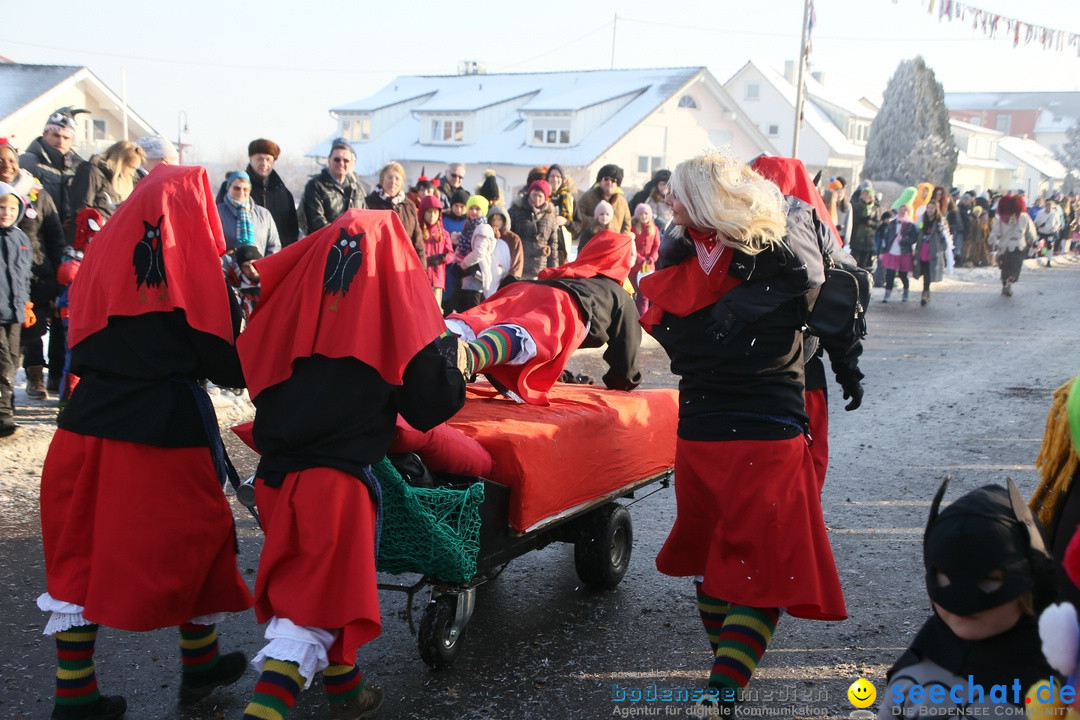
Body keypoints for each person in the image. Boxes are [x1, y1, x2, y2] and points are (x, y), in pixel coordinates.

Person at [36, 165, 254, 720]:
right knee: (200, 544)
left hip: (85, 426)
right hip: (163, 433)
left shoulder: (103, 256)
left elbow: (76, 341)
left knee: (80, 555)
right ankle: (198, 665)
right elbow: (226, 362)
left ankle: (76, 693)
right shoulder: (191, 268)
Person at [235, 209, 466, 720]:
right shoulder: (392, 307)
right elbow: (431, 404)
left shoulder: (295, 302)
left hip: (276, 477)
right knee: (305, 619)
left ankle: (348, 691)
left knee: (319, 592)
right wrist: (452, 353)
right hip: (332, 487)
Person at [638, 149, 843, 712]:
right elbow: (821, 289)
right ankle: (724, 689)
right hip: (752, 432)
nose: (668, 201)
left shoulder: (709, 263)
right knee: (755, 573)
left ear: (704, 199)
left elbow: (674, 334)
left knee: (716, 562)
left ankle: (723, 682)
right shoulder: (769, 255)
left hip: (714, 432)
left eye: (678, 192)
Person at [876, 479, 1057, 719]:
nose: (962, 600)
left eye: (989, 578)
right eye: (946, 577)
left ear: (1032, 578)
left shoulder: (1062, 684)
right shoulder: (912, 676)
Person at [749, 154, 865, 490]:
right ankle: (799, 533)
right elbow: (837, 317)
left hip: (738, 377)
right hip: (801, 372)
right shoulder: (816, 239)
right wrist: (848, 373)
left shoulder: (728, 234)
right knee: (805, 463)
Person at [442, 228, 642, 406]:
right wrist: (623, 381)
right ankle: (471, 357)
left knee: (482, 320)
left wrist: (565, 377)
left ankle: (434, 342)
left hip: (527, 288)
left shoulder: (572, 272)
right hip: (565, 302)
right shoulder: (620, 295)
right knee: (529, 331)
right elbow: (626, 356)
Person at [1, 140, 64, 398]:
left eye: (11, 161)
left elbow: (54, 236)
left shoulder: (37, 192)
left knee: (35, 326)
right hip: (4, 278)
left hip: (37, 272)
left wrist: (59, 271)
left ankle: (38, 376)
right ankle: (19, 383)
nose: (7, 166)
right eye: (0, 161)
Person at [216, 139, 301, 248]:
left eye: (268, 159)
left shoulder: (283, 193)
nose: (264, 163)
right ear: (251, 159)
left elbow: (291, 231)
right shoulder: (234, 188)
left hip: (275, 257)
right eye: (260, 158)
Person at [0, 182, 34, 437]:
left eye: (12, 208)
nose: (7, 213)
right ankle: (4, 417)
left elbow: (24, 274)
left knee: (13, 360)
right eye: (2, 207)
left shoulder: (21, 238)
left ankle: (6, 407)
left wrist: (26, 303)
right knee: (3, 363)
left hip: (14, 312)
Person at [19, 107, 87, 226]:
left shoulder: (78, 166)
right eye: (56, 135)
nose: (61, 141)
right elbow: (22, 201)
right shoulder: (29, 161)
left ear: (72, 141)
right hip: (37, 232)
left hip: (67, 235)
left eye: (66, 138)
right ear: (45, 134)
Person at [68, 140, 145, 228]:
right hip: (91, 233)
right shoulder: (91, 171)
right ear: (120, 161)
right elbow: (81, 207)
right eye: (131, 167)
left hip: (110, 233)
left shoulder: (126, 179)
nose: (132, 173)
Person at [365, 162, 425, 265]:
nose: (393, 182)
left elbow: (417, 238)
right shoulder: (369, 202)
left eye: (397, 178)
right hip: (377, 261)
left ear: (402, 182)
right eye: (389, 177)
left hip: (403, 262)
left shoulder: (409, 205)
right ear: (381, 180)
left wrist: (422, 266)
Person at [302, 137, 366, 232]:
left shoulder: (357, 189)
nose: (341, 163)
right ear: (329, 160)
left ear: (352, 163)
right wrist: (341, 235)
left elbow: (365, 218)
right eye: (337, 159)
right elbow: (316, 221)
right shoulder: (315, 186)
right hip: (326, 243)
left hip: (353, 243)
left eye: (346, 160)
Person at [446, 195, 495, 313]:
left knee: (472, 309)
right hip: (466, 274)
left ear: (483, 211)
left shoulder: (483, 228)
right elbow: (465, 243)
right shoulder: (470, 225)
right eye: (471, 208)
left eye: (477, 209)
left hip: (475, 274)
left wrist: (461, 266)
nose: (473, 211)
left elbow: (479, 252)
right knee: (460, 308)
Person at [217, 170, 282, 256]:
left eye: (245, 189)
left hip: (258, 268)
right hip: (227, 268)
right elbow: (213, 246)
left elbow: (274, 246)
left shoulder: (264, 215)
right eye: (237, 188)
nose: (241, 192)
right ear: (228, 188)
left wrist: (262, 267)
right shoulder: (217, 212)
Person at [510, 179, 560, 280]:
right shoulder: (516, 210)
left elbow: (553, 245)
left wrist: (553, 271)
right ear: (529, 194)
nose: (537, 199)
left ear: (545, 198)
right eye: (534, 195)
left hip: (540, 268)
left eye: (540, 196)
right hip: (519, 266)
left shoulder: (550, 216)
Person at [988, 194, 1036, 297]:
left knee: (1005, 267)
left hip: (1004, 246)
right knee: (1015, 267)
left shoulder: (1001, 218)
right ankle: (1010, 282)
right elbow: (1030, 231)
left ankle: (1004, 284)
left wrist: (991, 241)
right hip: (1019, 245)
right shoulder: (1024, 217)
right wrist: (1031, 240)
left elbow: (995, 231)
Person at [576, 164, 632, 248]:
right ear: (600, 180)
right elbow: (578, 215)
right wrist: (595, 223)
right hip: (591, 244)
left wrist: (620, 240)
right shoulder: (588, 196)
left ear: (617, 184)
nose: (609, 182)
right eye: (606, 179)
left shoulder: (622, 202)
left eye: (613, 180)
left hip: (613, 246)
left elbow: (627, 224)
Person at [878, 203, 919, 302]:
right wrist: (882, 251)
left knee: (903, 274)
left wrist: (904, 240)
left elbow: (914, 238)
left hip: (904, 253)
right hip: (892, 252)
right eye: (901, 209)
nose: (902, 211)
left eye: (905, 210)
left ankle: (906, 292)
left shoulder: (911, 225)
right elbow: (885, 238)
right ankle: (887, 294)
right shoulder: (892, 223)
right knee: (890, 274)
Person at [913, 200, 949, 306]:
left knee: (928, 272)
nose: (929, 210)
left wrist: (943, 247)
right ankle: (926, 292)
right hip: (922, 248)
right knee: (923, 270)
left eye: (932, 208)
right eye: (928, 208)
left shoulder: (938, 222)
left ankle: (925, 293)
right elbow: (917, 231)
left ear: (936, 209)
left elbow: (942, 236)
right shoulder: (922, 219)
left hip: (932, 250)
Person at [419, 195, 453, 306]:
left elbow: (451, 254)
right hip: (421, 278)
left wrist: (443, 258)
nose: (432, 216)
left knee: (436, 310)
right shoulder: (418, 232)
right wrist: (426, 260)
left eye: (435, 212)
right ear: (423, 212)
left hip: (437, 279)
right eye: (429, 212)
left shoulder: (443, 233)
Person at [629, 203, 660, 316]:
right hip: (635, 267)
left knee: (644, 294)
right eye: (641, 214)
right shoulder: (632, 228)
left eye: (646, 214)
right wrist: (639, 259)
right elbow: (631, 246)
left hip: (648, 267)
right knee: (632, 291)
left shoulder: (655, 229)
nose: (644, 216)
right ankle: (632, 315)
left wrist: (652, 257)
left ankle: (642, 317)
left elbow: (657, 246)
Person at [223, 244, 263, 323]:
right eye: (246, 266)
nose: (252, 270)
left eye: (254, 263)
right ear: (241, 268)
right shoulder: (237, 290)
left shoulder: (274, 284)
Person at [546, 165, 577, 264]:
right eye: (552, 176)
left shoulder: (569, 199)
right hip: (545, 249)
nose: (555, 179)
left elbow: (578, 226)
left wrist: (566, 222)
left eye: (558, 176)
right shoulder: (542, 197)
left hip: (563, 251)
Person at [487, 205, 523, 283]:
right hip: (488, 278)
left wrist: (510, 279)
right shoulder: (485, 235)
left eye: (499, 220)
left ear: (504, 221)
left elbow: (517, 262)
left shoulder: (513, 238)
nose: (496, 223)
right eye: (493, 220)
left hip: (505, 280)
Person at [848, 183, 879, 271]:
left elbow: (877, 223)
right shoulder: (855, 205)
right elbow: (852, 220)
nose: (865, 196)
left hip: (868, 239)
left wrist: (869, 222)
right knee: (854, 261)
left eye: (868, 195)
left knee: (864, 264)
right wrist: (861, 220)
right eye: (864, 194)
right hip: (857, 238)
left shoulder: (875, 208)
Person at [1035, 199, 1063, 267]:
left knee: (1049, 246)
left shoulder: (1054, 213)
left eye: (1050, 207)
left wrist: (1055, 228)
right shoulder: (1040, 213)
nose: (1049, 208)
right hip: (1041, 231)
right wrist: (1039, 225)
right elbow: (1036, 221)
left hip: (1050, 232)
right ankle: (1031, 256)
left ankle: (1048, 260)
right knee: (1035, 243)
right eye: (1048, 207)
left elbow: (1058, 222)